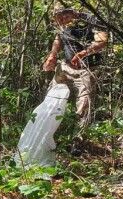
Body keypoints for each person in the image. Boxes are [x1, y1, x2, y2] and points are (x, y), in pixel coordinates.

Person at [42, 7, 109, 137]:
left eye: (63, 17)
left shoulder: (91, 20)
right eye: (58, 19)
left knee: (84, 103)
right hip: (66, 67)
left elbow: (102, 41)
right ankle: (49, 132)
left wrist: (84, 53)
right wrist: (52, 55)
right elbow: (59, 38)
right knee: (52, 96)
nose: (61, 21)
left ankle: (77, 138)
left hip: (87, 69)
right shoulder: (62, 25)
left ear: (71, 14)